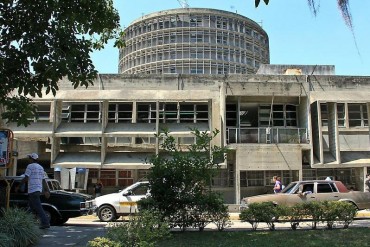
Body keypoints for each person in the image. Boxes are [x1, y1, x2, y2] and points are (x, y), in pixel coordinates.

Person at [20, 153, 50, 229]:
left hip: (32, 190)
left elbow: (26, 178)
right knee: (31, 207)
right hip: (38, 190)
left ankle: (45, 223)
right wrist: (47, 190)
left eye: (29, 158)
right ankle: (26, 223)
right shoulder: (41, 167)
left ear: (31, 159)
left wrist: (18, 186)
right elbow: (43, 180)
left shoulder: (30, 166)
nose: (28, 159)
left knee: (38, 208)